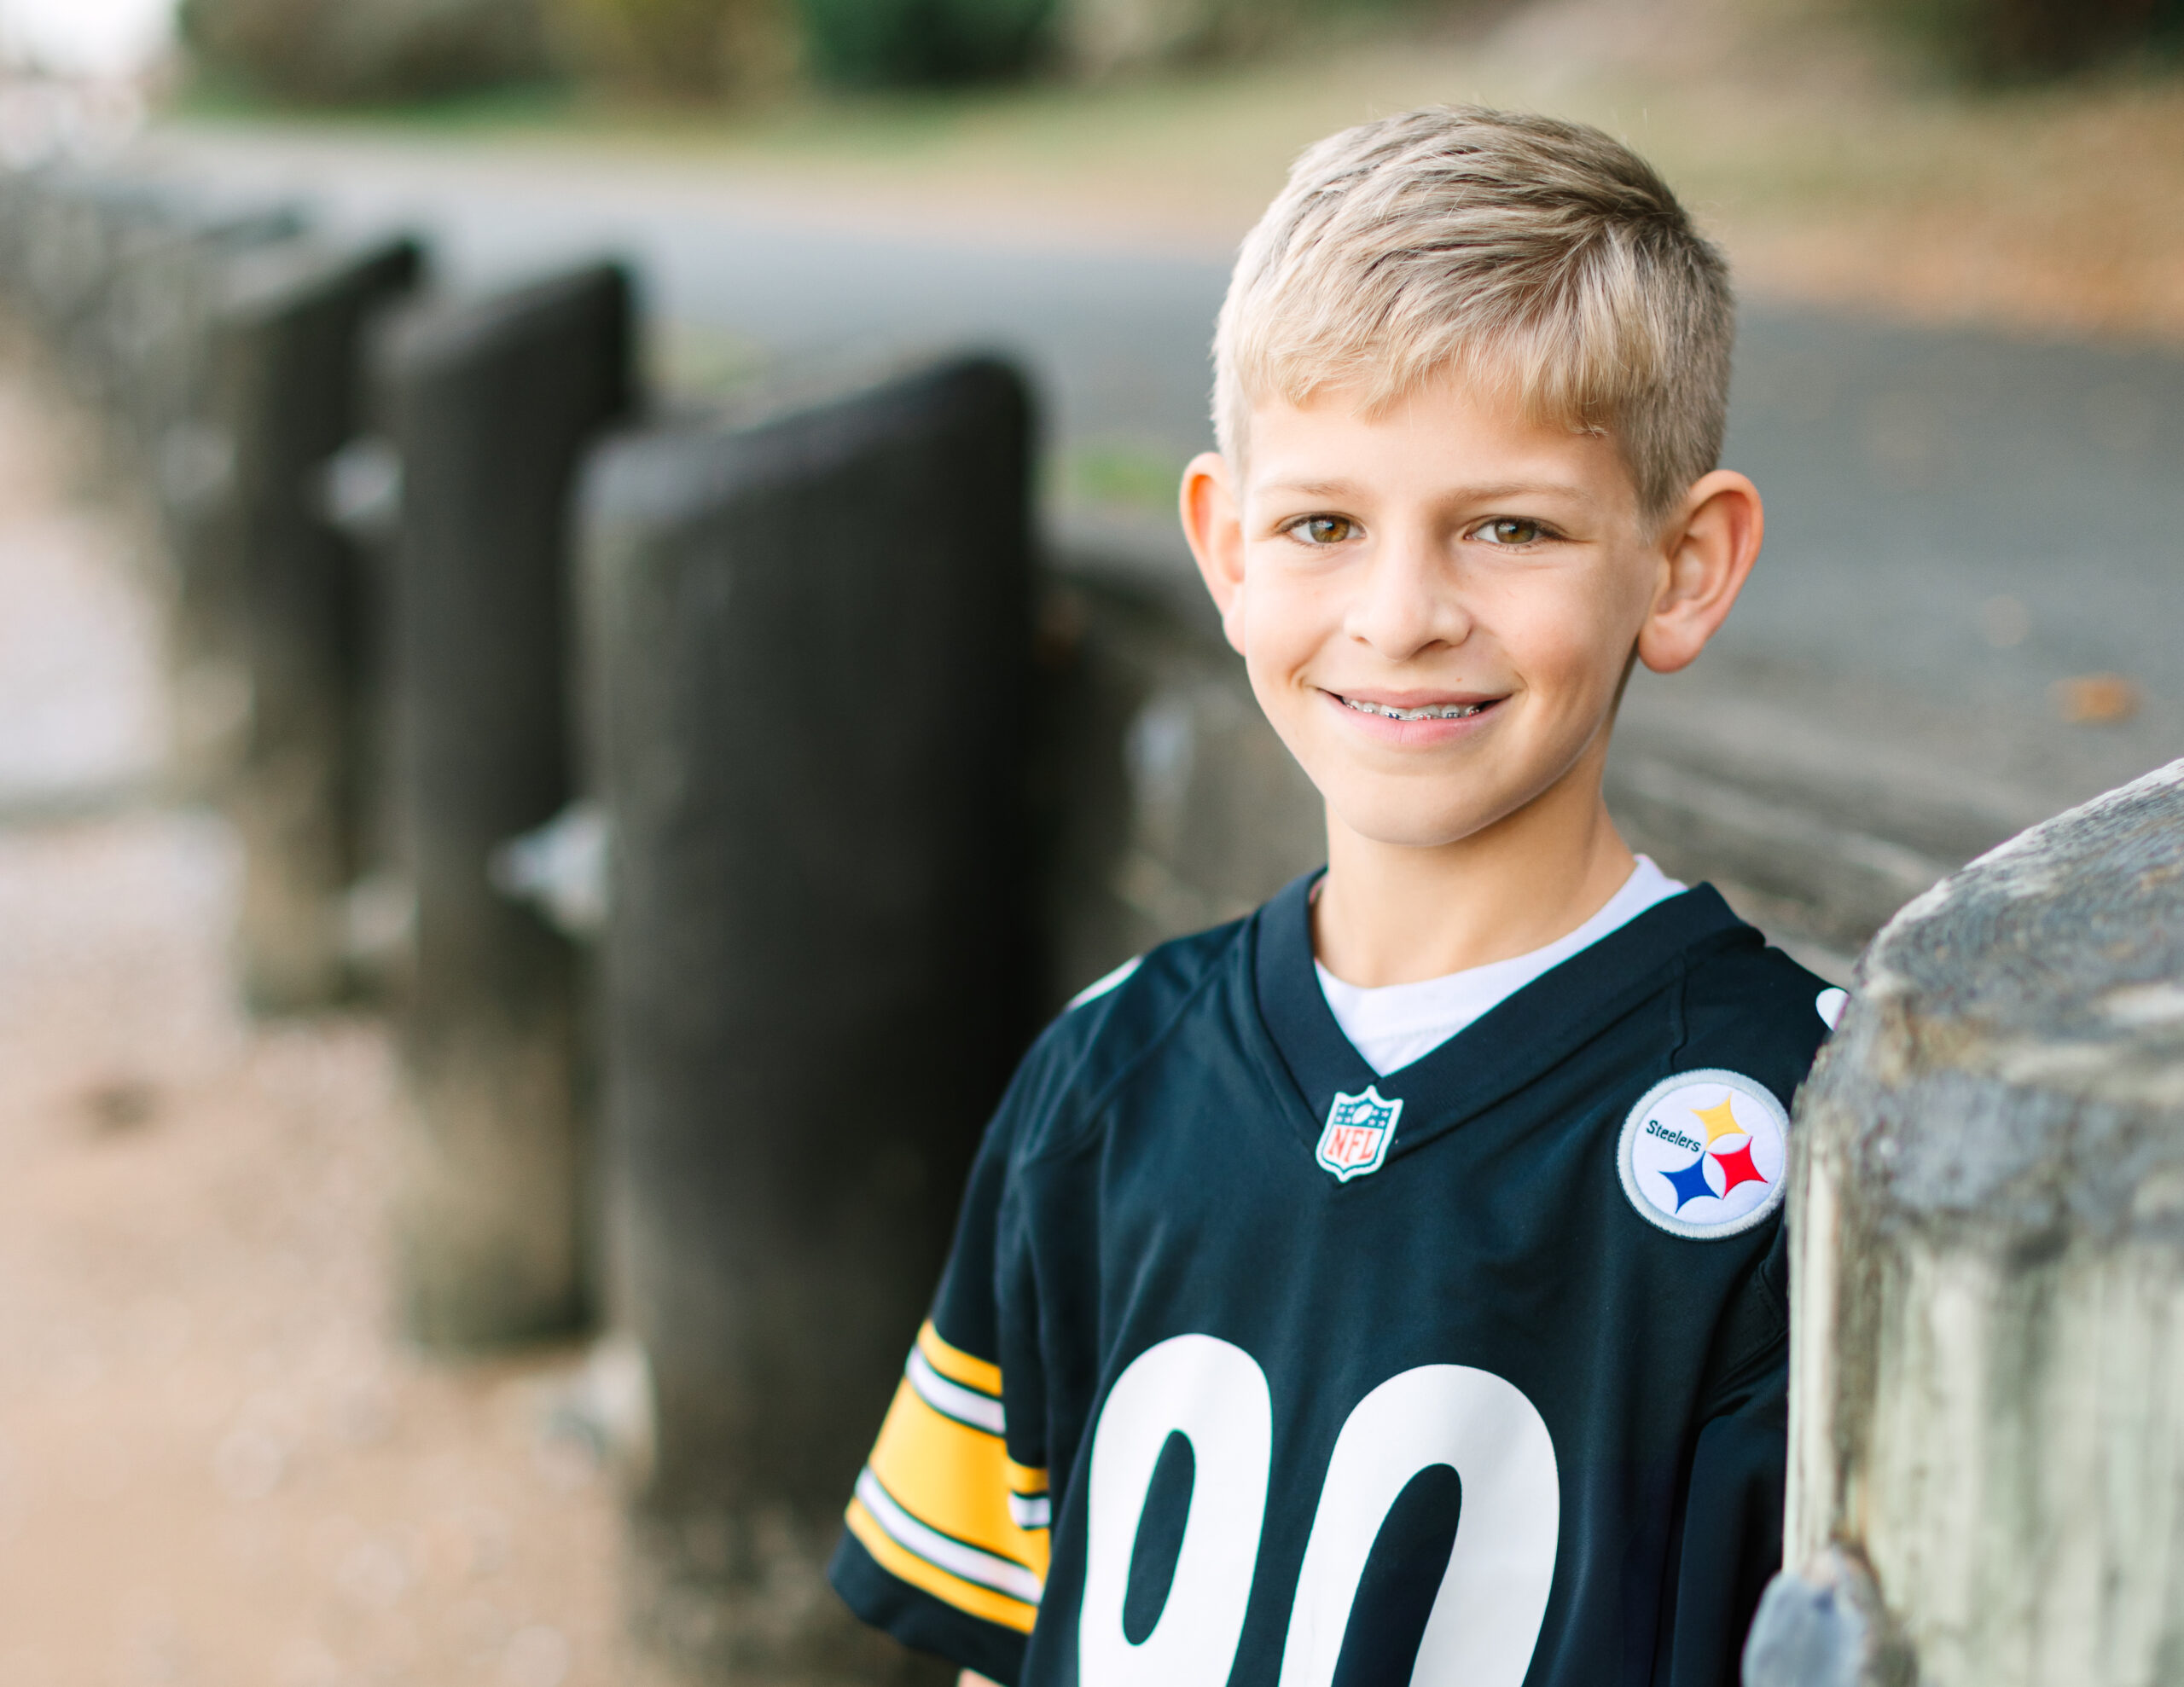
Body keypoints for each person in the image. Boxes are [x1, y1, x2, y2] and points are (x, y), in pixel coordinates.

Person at [827, 104, 1839, 1687]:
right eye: (1323, 524)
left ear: (1684, 564)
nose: (1401, 613)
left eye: (1509, 527)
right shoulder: (1104, 1078)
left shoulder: (1802, 1123)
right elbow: (1000, 1634)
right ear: (1228, 550)